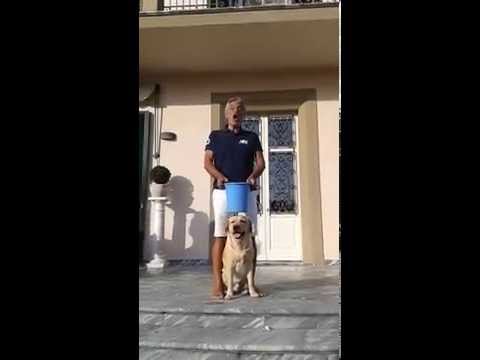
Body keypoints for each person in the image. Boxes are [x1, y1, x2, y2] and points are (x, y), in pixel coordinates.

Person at [204, 96, 265, 298]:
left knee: (250, 235)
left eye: (239, 109)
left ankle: (251, 284)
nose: (235, 112)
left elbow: (260, 163)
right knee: (221, 234)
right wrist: (219, 177)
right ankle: (217, 283)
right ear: (226, 114)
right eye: (231, 109)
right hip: (223, 191)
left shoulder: (252, 137)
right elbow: (207, 163)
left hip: (246, 191)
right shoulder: (215, 136)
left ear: (244, 114)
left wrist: (253, 176)